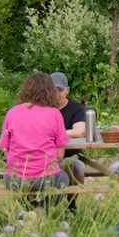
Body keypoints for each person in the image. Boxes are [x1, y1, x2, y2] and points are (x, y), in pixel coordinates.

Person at [0, 73, 70, 210]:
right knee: (63, 179)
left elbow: (5, 150)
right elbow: (60, 155)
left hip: (15, 179)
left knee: (21, 185)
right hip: (45, 177)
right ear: (50, 91)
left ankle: (28, 212)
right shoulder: (54, 114)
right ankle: (41, 210)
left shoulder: (12, 112)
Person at [50, 72, 86, 213]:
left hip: (71, 154)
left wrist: (54, 135)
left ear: (67, 90)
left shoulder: (76, 108)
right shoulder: (43, 108)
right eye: (52, 90)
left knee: (76, 167)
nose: (56, 94)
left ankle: (71, 205)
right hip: (46, 156)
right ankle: (37, 208)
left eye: (59, 90)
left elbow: (79, 131)